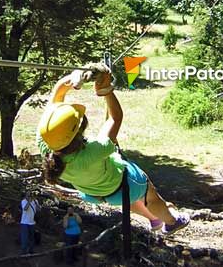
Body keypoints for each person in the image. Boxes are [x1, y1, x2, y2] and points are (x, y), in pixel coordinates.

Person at [37, 63, 190, 235]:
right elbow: (115, 119)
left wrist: (74, 79)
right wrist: (106, 91)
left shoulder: (46, 144)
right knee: (148, 193)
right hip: (123, 186)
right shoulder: (94, 151)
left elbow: (57, 94)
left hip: (91, 193)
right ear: (79, 130)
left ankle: (154, 219)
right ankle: (172, 222)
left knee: (129, 198)